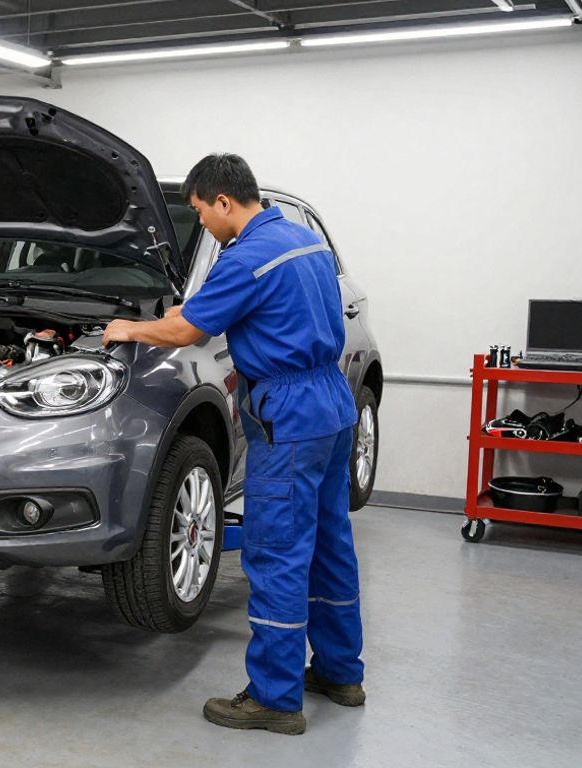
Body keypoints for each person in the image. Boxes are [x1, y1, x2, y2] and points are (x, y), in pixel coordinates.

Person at [102, 154, 365, 735]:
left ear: (223, 201)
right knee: (329, 543)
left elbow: (188, 331)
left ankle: (274, 697)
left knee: (276, 552)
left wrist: (129, 329)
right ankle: (342, 673)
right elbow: (246, 310)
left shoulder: (244, 257)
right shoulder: (304, 241)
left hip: (288, 414)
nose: (203, 224)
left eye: (200, 212)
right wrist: (186, 310)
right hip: (331, 404)